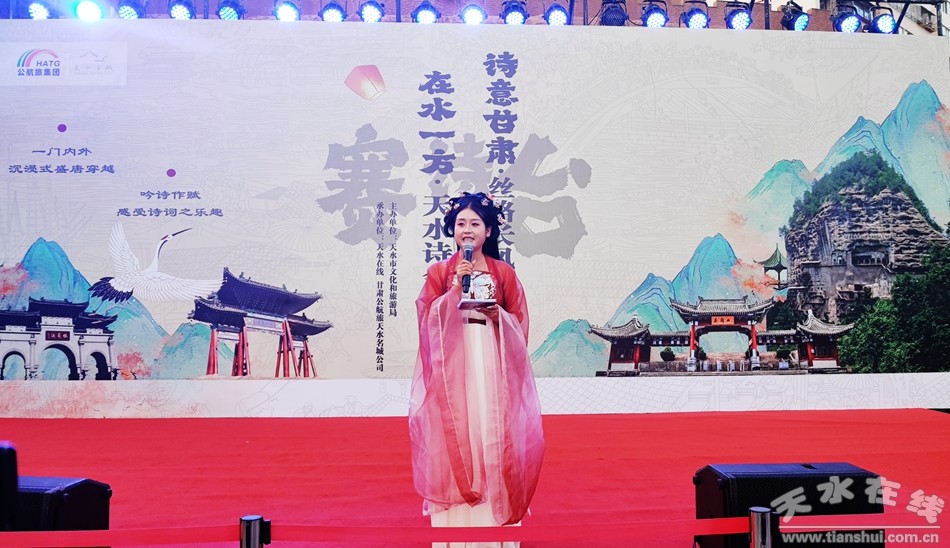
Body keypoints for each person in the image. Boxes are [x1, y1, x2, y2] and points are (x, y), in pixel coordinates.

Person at [409, 192, 545, 547]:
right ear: (452, 230)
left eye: (474, 223)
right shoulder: (440, 272)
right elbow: (426, 320)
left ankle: (493, 529)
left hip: (490, 360)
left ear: (488, 231)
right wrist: (456, 288)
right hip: (452, 366)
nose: (467, 230)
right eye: (460, 224)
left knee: (490, 431)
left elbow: (519, 323)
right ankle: (455, 532)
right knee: (456, 433)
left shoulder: (504, 273)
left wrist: (496, 315)